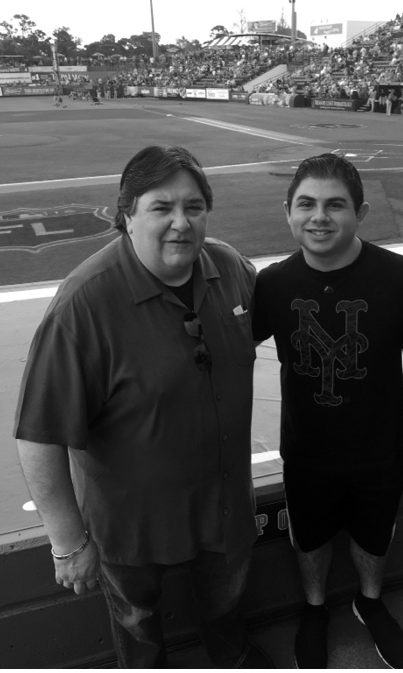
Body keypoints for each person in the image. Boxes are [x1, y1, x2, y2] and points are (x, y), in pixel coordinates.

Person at [13, 145, 273, 669]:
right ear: (127, 214)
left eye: (194, 207)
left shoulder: (231, 268)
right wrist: (67, 542)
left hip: (223, 507)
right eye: (162, 207)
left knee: (226, 607)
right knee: (138, 627)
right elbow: (39, 434)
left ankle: (233, 658)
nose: (181, 223)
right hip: (129, 527)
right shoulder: (83, 305)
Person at [252, 153, 403, 669]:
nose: (320, 217)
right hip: (305, 449)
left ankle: (368, 602)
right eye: (307, 204)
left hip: (380, 447)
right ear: (288, 212)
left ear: (360, 212)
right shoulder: (271, 285)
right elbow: (227, 358)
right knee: (310, 537)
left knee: (374, 534)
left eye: (335, 205)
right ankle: (314, 609)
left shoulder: (402, 276)